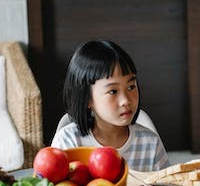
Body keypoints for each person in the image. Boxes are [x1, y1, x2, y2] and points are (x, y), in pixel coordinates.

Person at [51, 40, 169, 171]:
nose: (125, 100)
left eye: (131, 87)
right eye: (113, 91)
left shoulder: (150, 143)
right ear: (87, 99)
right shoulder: (69, 141)